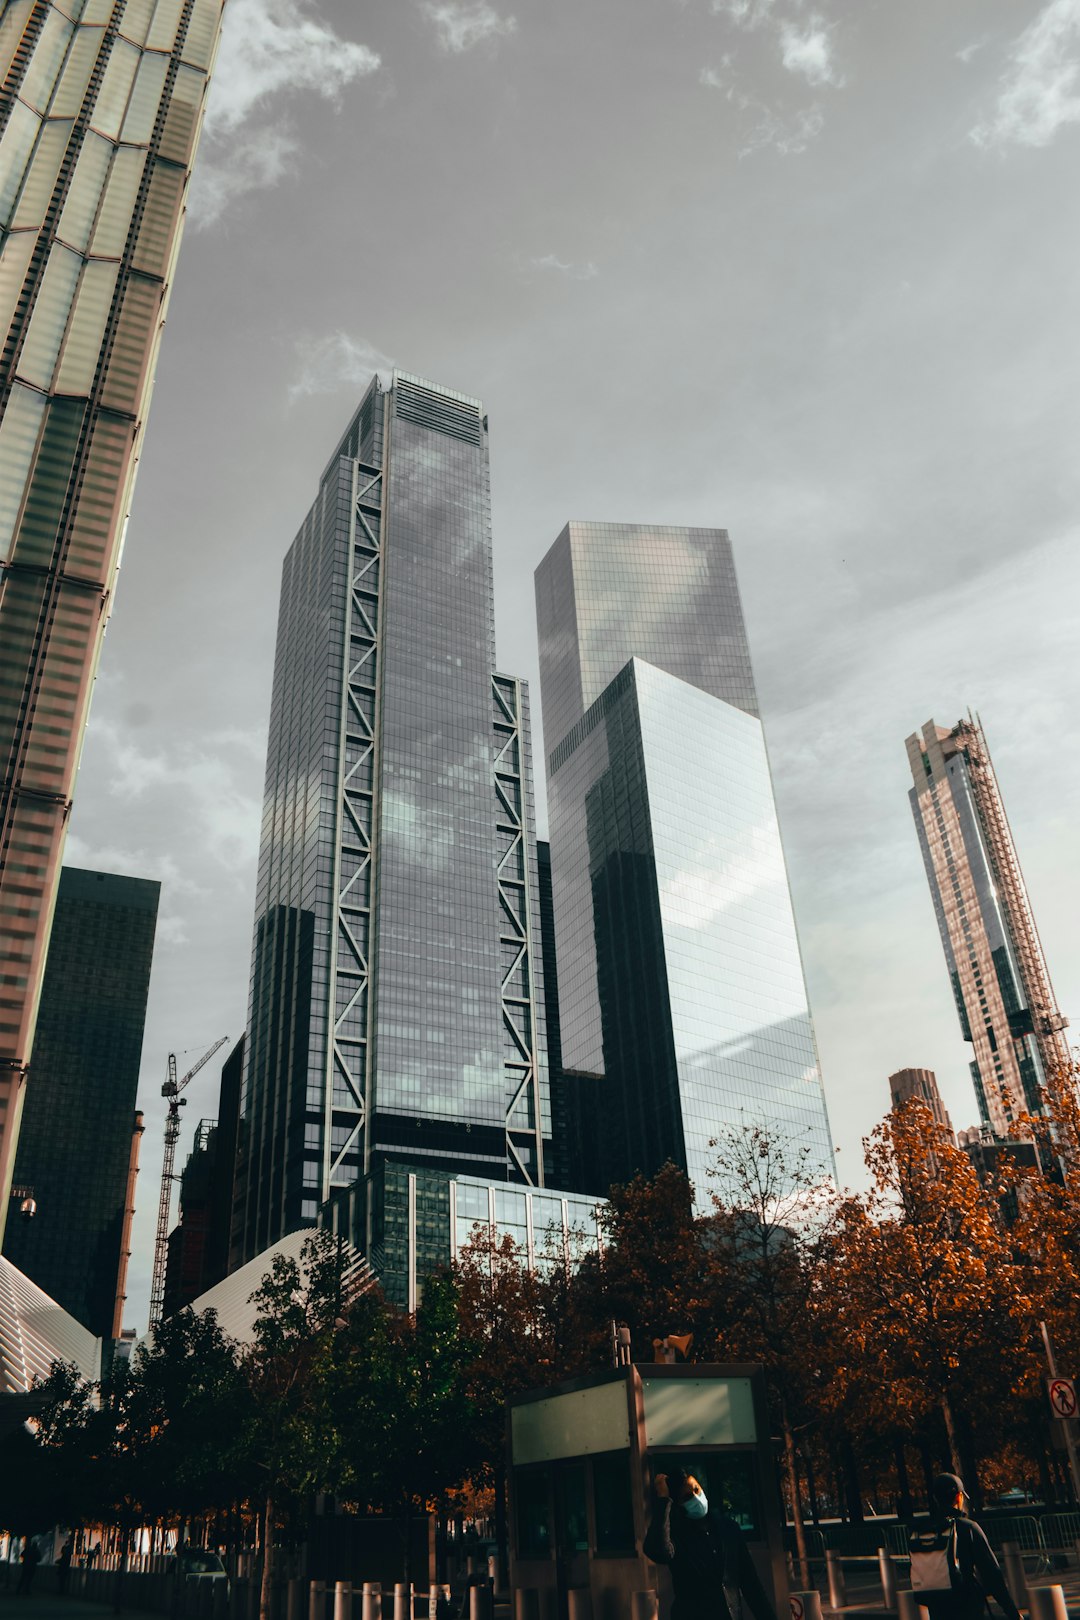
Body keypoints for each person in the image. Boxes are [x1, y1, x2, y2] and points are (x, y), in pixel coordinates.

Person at [643, 1464, 777, 1620]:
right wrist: (664, 1501)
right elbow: (659, 1552)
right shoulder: (677, 1535)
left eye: (696, 1490)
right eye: (687, 1497)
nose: (695, 1497)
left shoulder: (729, 1529)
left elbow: (751, 1584)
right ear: (678, 1504)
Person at [908, 1474, 1022, 1620]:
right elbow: (992, 1574)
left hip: (937, 1606)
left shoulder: (923, 1531)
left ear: (936, 1498)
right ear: (958, 1497)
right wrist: (1012, 1612)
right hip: (967, 1605)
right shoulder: (967, 1528)